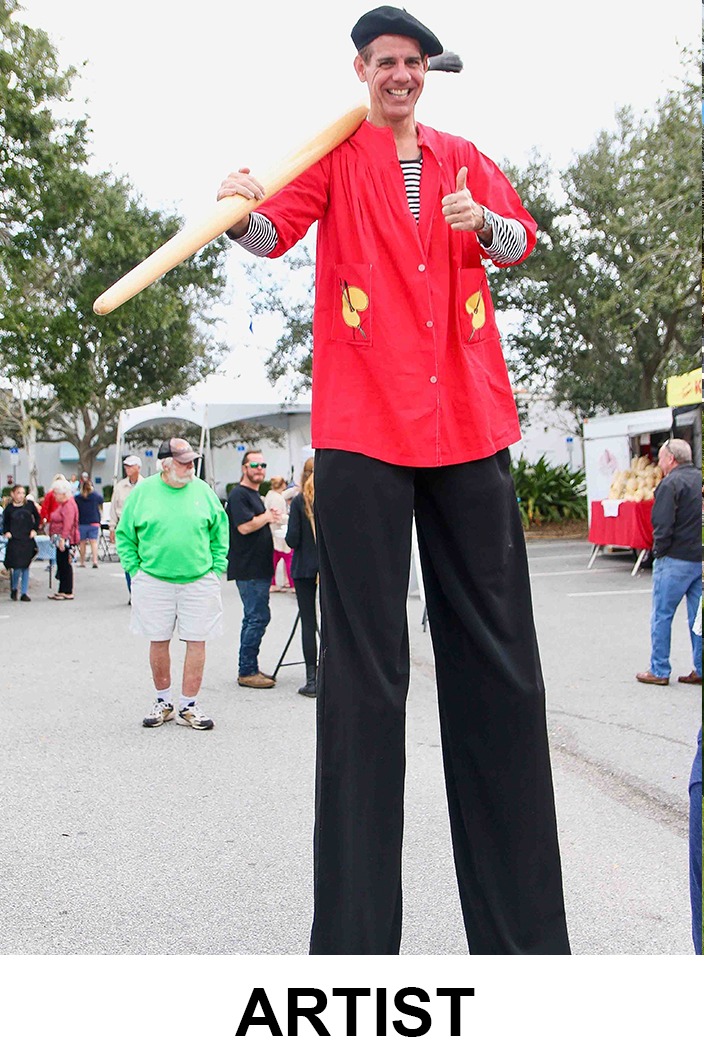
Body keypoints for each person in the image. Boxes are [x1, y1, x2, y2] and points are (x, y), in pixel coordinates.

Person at [217, 5, 570, 955]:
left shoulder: (462, 155)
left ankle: (527, 951)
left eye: (412, 61)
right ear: (362, 72)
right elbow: (270, 234)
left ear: (427, 71)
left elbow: (522, 242)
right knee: (367, 687)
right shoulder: (334, 160)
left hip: (465, 424)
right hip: (365, 430)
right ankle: (356, 953)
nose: (399, 74)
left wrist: (483, 220)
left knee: (500, 674)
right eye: (384, 62)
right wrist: (237, 208)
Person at [115, 438, 228, 731]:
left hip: (199, 579)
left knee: (197, 640)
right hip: (153, 580)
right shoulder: (144, 492)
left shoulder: (202, 491)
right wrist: (134, 570)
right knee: (158, 639)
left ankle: (188, 705)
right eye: (183, 461)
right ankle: (163, 701)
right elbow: (125, 534)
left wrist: (217, 568)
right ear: (165, 464)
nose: (190, 466)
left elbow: (220, 530)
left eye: (191, 460)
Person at [636, 438, 702, 686]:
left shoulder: (670, 484)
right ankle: (700, 667)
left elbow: (663, 524)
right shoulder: (698, 479)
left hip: (675, 558)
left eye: (661, 457)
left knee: (662, 615)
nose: (659, 462)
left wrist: (658, 551)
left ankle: (660, 669)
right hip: (699, 557)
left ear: (671, 459)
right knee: (698, 617)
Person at [226, 450, 282, 689]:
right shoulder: (239, 494)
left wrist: (269, 517)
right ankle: (246, 670)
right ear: (244, 468)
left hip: (259, 566)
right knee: (256, 617)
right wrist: (267, 516)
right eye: (255, 465)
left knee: (256, 617)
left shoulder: (254, 495)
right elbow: (244, 527)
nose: (260, 469)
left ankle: (250, 665)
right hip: (248, 567)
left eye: (263, 465)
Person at [285, 457, 318, 697]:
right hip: (327, 569)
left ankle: (312, 679)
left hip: (304, 567)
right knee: (331, 623)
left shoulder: (299, 501)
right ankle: (333, 676)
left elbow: (292, 539)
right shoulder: (329, 499)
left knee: (308, 621)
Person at [109, 455, 144, 598]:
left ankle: (141, 591)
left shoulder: (146, 485)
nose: (128, 469)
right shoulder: (120, 486)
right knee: (128, 560)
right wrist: (112, 527)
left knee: (142, 560)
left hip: (142, 527)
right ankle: (132, 592)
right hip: (124, 527)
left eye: (131, 466)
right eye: (126, 466)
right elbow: (113, 507)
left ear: (138, 468)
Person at [3, 484, 40, 601]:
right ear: (13, 494)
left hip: (27, 538)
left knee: (25, 566)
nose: (21, 495)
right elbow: (5, 523)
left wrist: (34, 529)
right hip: (15, 539)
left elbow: (37, 518)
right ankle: (14, 588)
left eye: (23, 493)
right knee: (17, 567)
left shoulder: (29, 505)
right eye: (19, 493)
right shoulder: (9, 508)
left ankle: (24, 592)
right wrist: (7, 532)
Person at [47, 479, 79, 600]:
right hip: (60, 537)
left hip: (66, 539)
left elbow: (68, 523)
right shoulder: (64, 504)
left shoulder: (69, 505)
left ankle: (67, 590)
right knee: (61, 563)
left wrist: (63, 538)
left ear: (63, 493)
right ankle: (62, 589)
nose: (54, 496)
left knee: (65, 563)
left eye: (56, 493)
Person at [265, 476, 296, 591]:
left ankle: (273, 583)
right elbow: (278, 516)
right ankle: (292, 584)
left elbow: (284, 495)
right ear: (282, 484)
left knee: (274, 559)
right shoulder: (277, 498)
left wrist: (294, 489)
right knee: (289, 558)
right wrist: (289, 518)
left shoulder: (271, 495)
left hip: (272, 531)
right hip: (280, 531)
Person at [74, 477, 104, 568]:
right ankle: (95, 561)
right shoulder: (95, 496)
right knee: (93, 542)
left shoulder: (78, 497)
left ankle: (82, 562)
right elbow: (101, 500)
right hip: (94, 521)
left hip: (82, 522)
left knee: (82, 542)